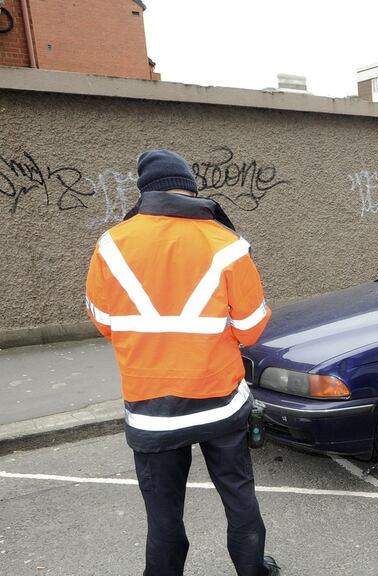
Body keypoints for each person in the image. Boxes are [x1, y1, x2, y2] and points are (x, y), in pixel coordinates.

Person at [85, 150, 279, 576]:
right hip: (220, 402)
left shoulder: (112, 244)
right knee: (239, 499)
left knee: (163, 516)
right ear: (191, 189)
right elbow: (250, 328)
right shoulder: (226, 244)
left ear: (146, 191)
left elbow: (103, 321)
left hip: (152, 411)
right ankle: (253, 570)